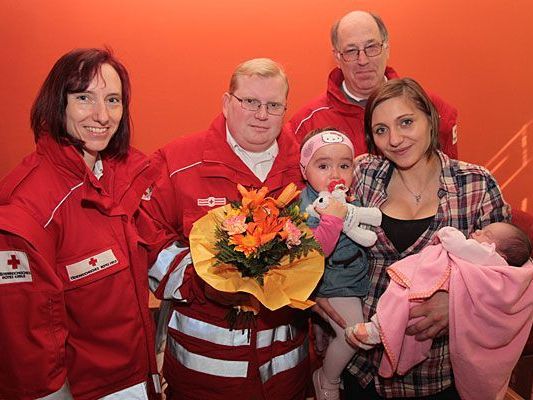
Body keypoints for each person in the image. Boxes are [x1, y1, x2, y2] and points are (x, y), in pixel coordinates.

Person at [323, 77, 510, 399]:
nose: (394, 139)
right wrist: (314, 293)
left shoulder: (475, 185)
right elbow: (315, 224)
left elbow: (511, 275)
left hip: (438, 373)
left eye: (406, 122)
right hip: (361, 364)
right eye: (381, 130)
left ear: (430, 119)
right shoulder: (363, 174)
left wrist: (457, 302)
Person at [143, 58, 309, 400]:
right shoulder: (177, 162)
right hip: (203, 374)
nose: (262, 115)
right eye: (250, 102)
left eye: (273, 105)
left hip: (285, 373)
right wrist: (205, 282)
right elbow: (147, 239)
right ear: (226, 103)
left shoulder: (307, 166)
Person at [0, 49, 161, 399]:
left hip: (140, 376)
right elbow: (27, 348)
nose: (102, 115)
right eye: (84, 98)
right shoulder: (28, 205)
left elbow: (153, 250)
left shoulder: (123, 177)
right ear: (58, 103)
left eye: (113, 99)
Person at [345, 224, 533, 399]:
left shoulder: (491, 256)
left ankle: (379, 328)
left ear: (501, 254)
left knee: (406, 302)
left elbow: (459, 246)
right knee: (406, 302)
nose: (476, 232)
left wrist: (447, 232)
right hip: (361, 368)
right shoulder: (365, 188)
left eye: (486, 234)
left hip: (437, 375)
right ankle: (383, 330)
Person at [287, 11, 458, 159]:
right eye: (351, 51)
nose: (363, 60)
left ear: (387, 48)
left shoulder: (430, 107)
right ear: (337, 58)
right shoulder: (306, 124)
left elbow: (450, 180)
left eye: (372, 47)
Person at [298, 128, 381, 400]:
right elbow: (317, 250)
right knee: (353, 334)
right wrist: (333, 218)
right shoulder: (307, 207)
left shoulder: (347, 196)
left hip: (356, 278)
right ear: (304, 170)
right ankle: (327, 379)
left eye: (344, 165)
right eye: (323, 165)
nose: (335, 174)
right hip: (331, 283)